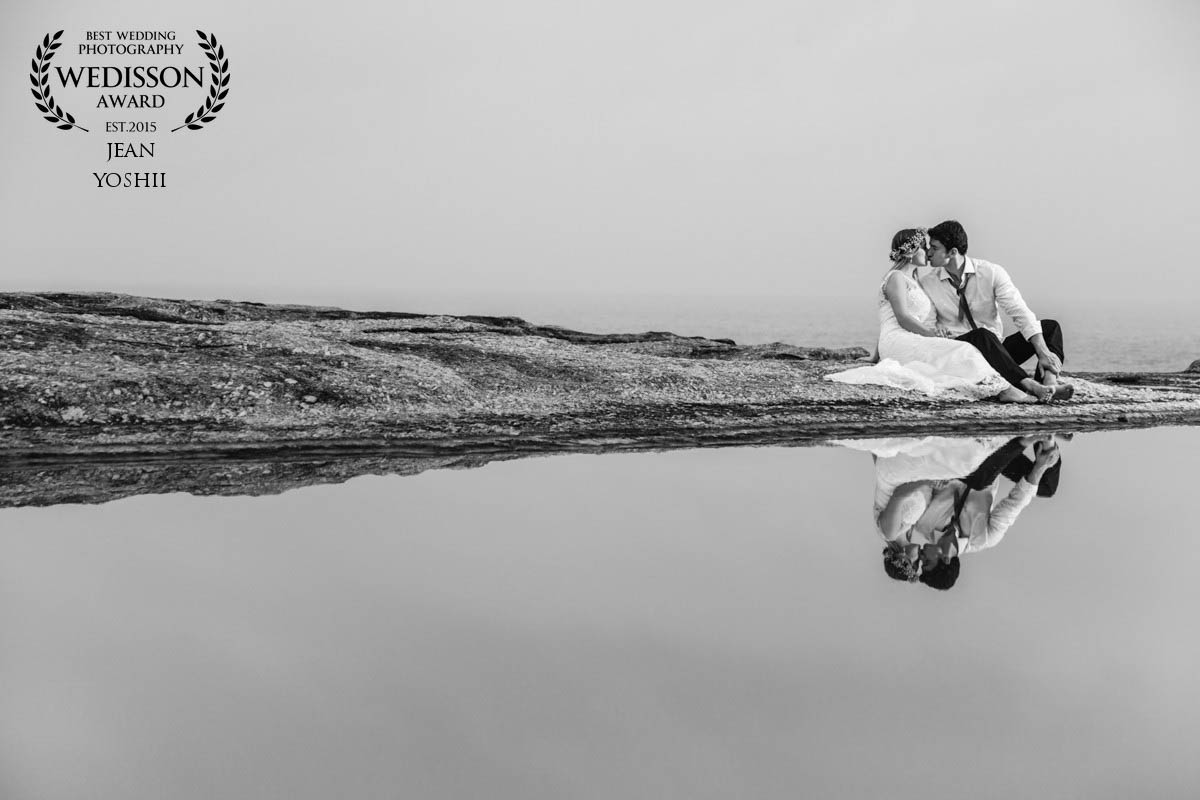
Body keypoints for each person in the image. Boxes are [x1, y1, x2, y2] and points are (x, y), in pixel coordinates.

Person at [826, 228, 1050, 402]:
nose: (928, 252)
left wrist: (877, 355)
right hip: (900, 339)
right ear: (912, 251)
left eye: (930, 247)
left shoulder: (918, 282)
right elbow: (900, 318)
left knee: (964, 350)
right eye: (925, 247)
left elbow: (891, 320)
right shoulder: (896, 277)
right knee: (962, 350)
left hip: (907, 337)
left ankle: (1025, 384)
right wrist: (930, 334)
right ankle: (1010, 389)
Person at [866, 434, 1062, 590]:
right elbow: (1014, 503)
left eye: (919, 563)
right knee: (1045, 486)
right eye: (926, 563)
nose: (922, 557)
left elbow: (918, 486)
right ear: (944, 559)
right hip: (993, 463)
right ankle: (1047, 437)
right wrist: (1039, 467)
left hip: (958, 461)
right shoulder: (984, 538)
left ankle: (1029, 437)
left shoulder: (923, 523)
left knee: (979, 480)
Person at [920, 220, 1073, 402]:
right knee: (982, 335)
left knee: (1050, 327)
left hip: (997, 352)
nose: (928, 253)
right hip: (961, 353)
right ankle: (1029, 385)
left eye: (934, 248)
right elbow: (927, 324)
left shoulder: (991, 272)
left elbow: (1018, 311)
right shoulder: (928, 283)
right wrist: (936, 333)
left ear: (952, 252)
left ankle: (1049, 382)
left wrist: (1042, 352)